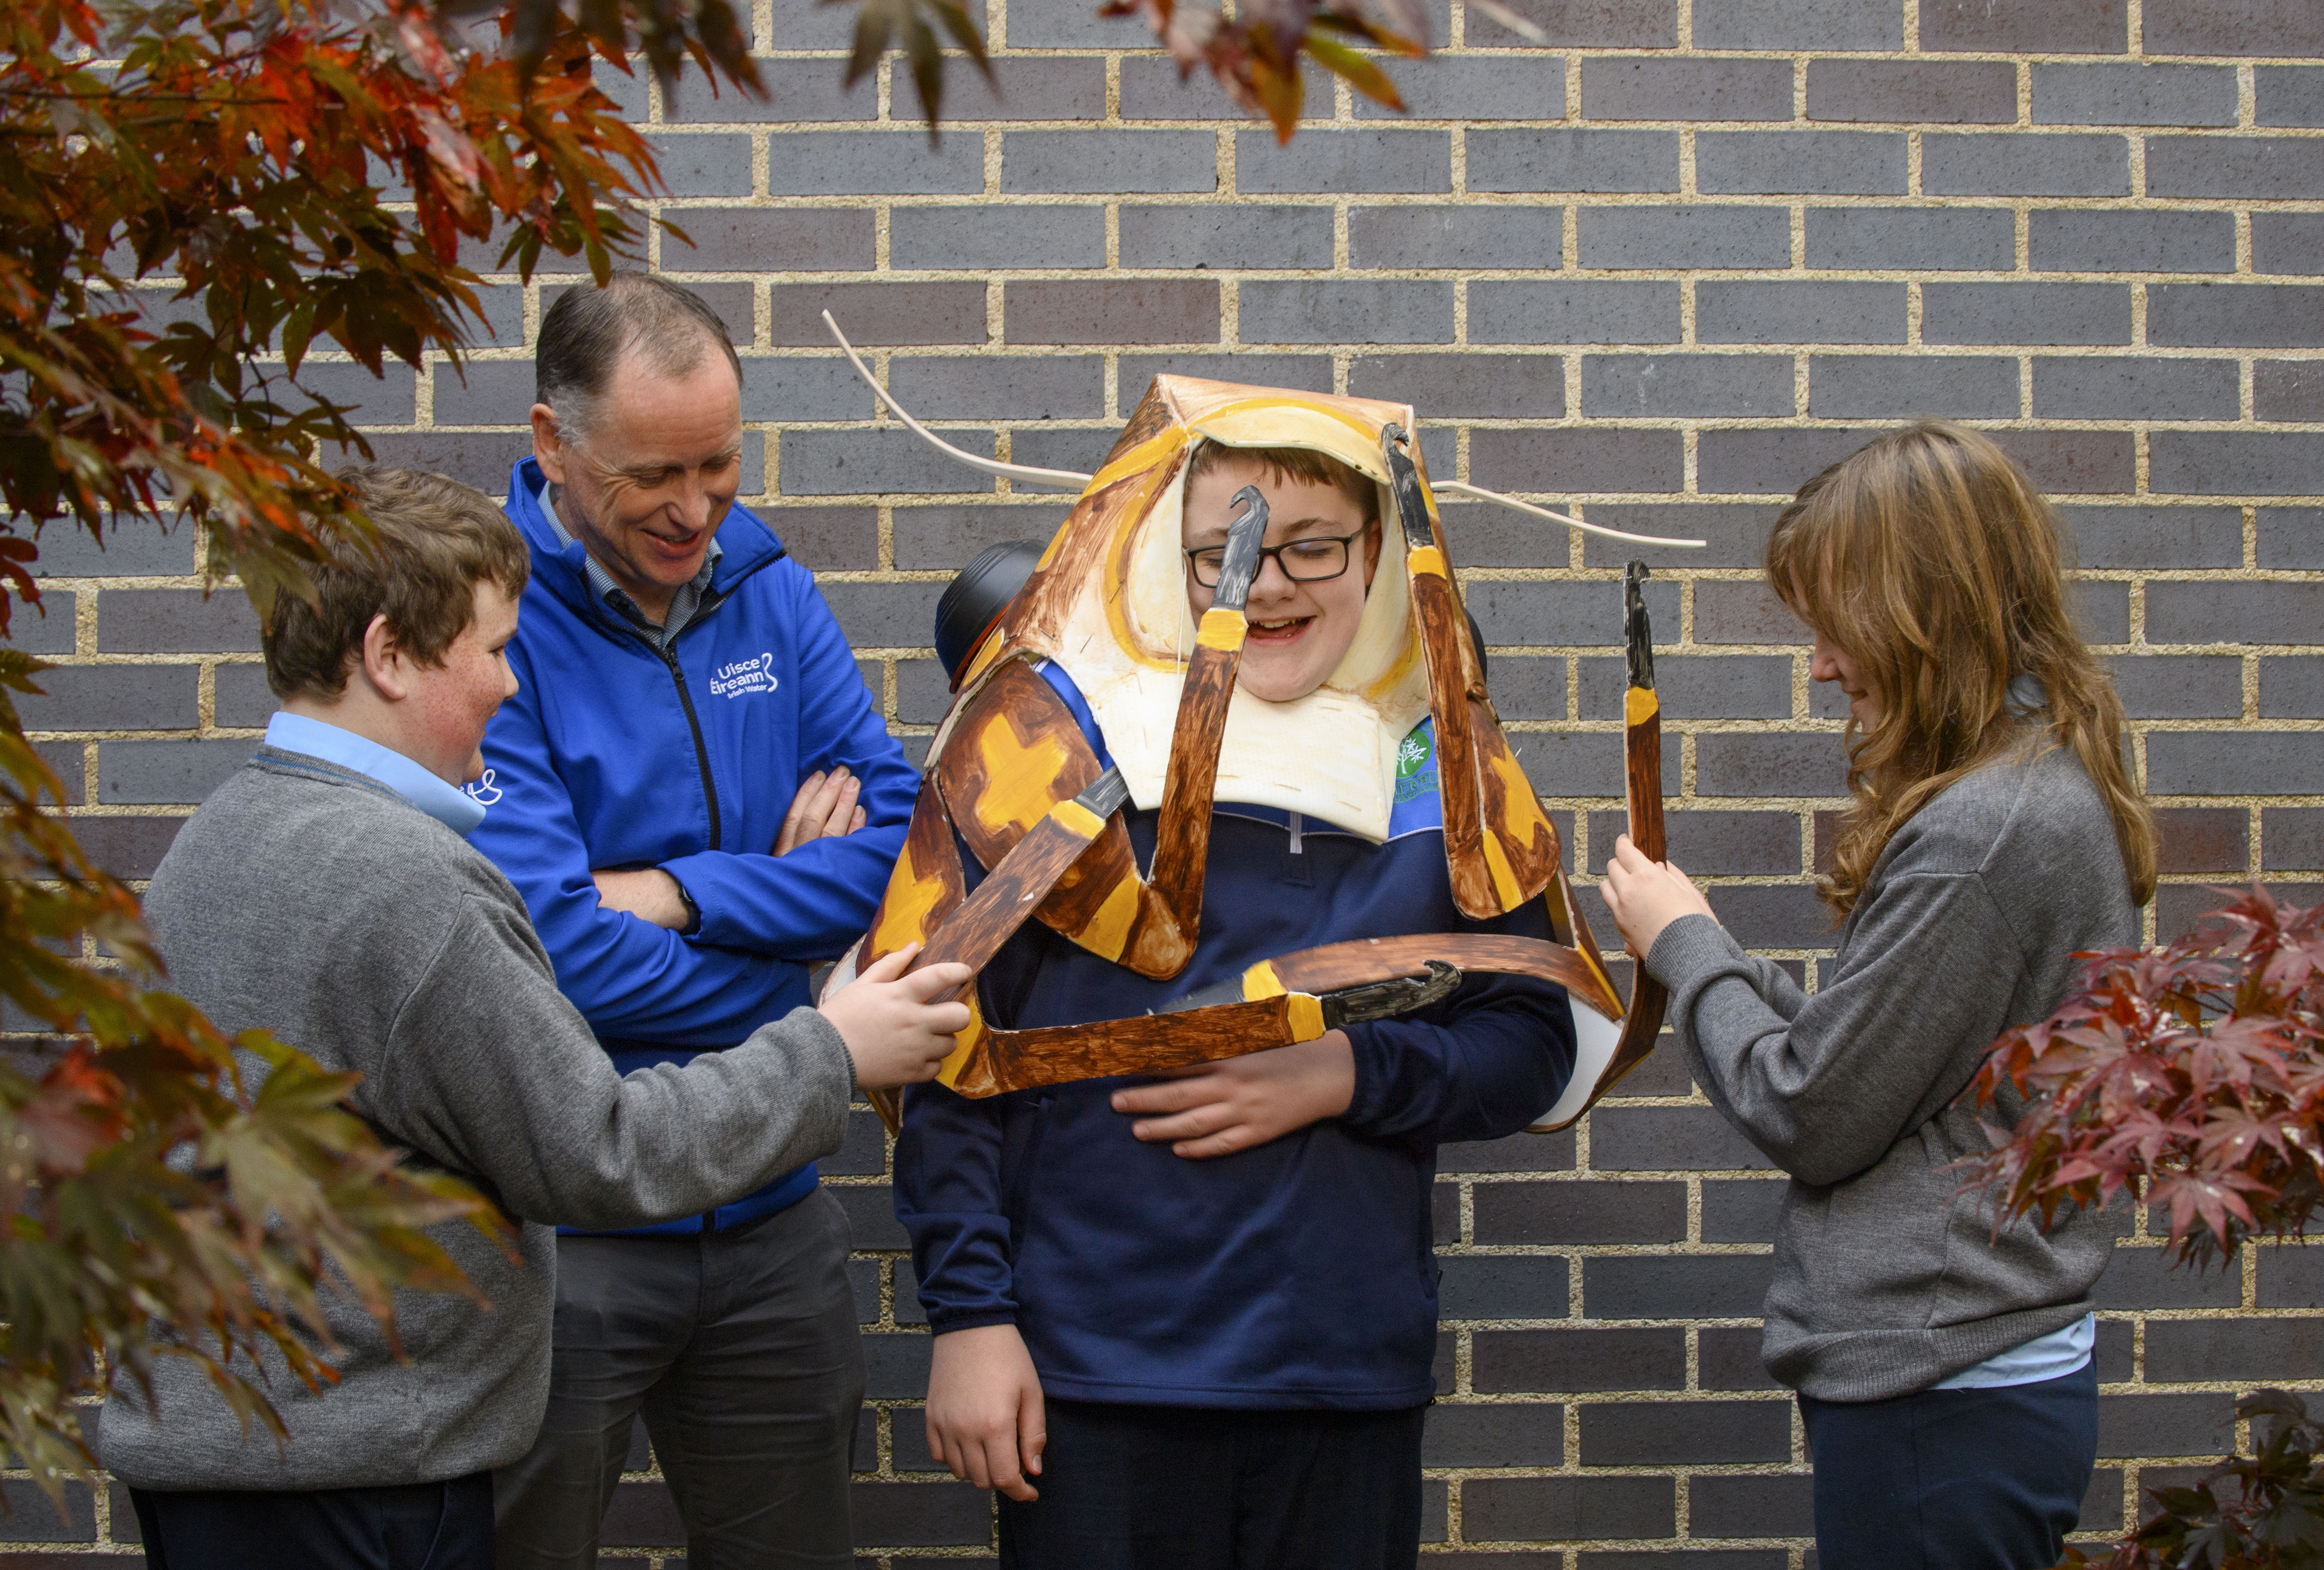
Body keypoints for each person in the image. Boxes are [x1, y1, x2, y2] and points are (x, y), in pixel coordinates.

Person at [96, 465, 970, 1570]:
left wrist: (676, 904)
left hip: (240, 1456)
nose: (514, 688)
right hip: (364, 1481)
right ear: (388, 655)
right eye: (496, 650)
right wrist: (826, 1040)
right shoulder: (406, 880)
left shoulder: (215, 838)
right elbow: (595, 1149)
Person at [894, 432, 1578, 1570]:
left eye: (1309, 547)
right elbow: (950, 1047)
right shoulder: (1062, 759)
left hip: (1337, 1373)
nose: (1265, 584)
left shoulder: (1447, 771)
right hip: (1093, 1370)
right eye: (1227, 550)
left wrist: (1348, 1075)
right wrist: (970, 1315)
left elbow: (1531, 1038)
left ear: (1379, 554)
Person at [1599, 422, 2156, 1570]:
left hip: (1941, 1383)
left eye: (1831, 621)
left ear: (1919, 608)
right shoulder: (2019, 791)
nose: (1818, 662)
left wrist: (1686, 946)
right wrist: (1715, 954)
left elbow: (1816, 1110)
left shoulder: (1982, 832)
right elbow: (1881, 1059)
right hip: (1962, 1373)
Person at [465, 273, 925, 1569]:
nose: (694, 508)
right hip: (568, 1229)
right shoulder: (490, 625)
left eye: (720, 461)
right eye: (653, 473)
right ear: (555, 443)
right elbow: (551, 956)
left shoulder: (768, 584)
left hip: (771, 1216)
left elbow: (902, 853)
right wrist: (805, 996)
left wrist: (682, 890)